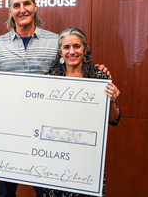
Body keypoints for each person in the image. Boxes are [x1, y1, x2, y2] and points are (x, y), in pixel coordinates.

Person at [0, 0, 110, 197]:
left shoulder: (55, 43)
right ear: (9, 11)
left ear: (35, 6)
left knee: (45, 190)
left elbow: (76, 68)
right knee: (4, 191)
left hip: (44, 133)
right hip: (8, 131)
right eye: (16, 5)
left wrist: (99, 73)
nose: (22, 9)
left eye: (26, 4)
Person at [44, 27, 121, 197]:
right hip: (55, 159)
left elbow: (114, 119)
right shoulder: (49, 79)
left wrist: (112, 100)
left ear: (85, 49)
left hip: (88, 160)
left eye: (76, 46)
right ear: (60, 51)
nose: (72, 51)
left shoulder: (98, 78)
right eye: (66, 47)